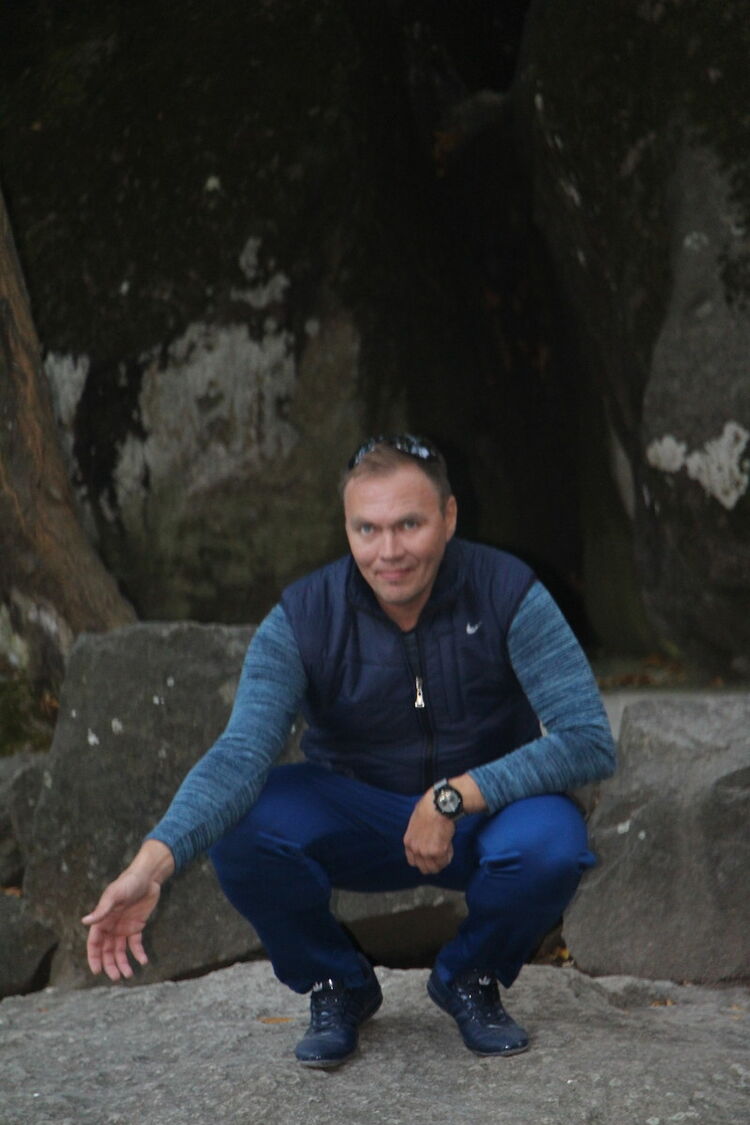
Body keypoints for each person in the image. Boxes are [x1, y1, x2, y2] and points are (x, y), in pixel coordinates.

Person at [83, 433, 616, 1069]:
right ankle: (336, 982)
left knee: (552, 844)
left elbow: (587, 739)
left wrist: (453, 797)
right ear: (346, 527)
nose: (388, 552)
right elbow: (241, 752)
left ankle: (469, 977)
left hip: (482, 814)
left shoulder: (510, 592)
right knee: (244, 829)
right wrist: (150, 867)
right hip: (357, 815)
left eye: (409, 524)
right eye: (368, 529)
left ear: (448, 517)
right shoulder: (303, 617)